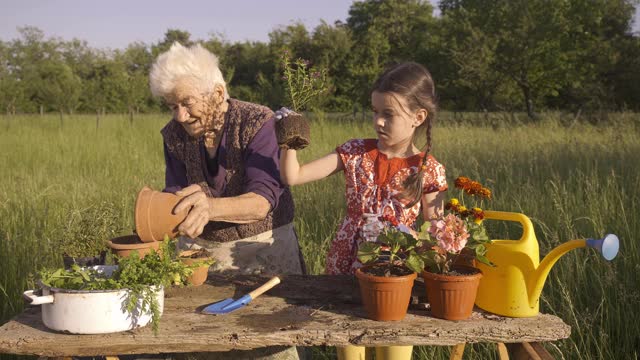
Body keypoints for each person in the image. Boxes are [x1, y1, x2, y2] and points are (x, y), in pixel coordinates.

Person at [278, 62, 448, 360]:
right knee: (351, 352)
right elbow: (294, 176)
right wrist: (290, 139)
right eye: (375, 111)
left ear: (418, 118)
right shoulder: (355, 152)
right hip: (346, 268)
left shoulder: (429, 170)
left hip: (396, 275)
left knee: (392, 350)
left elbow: (437, 233)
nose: (378, 121)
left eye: (388, 114)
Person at [149, 42, 305, 360]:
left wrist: (211, 206)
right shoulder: (174, 135)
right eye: (171, 105)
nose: (179, 115)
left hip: (264, 254)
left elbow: (262, 201)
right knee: (202, 344)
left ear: (218, 93)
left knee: (271, 346)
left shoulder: (256, 122)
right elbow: (175, 193)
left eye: (186, 102)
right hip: (203, 259)